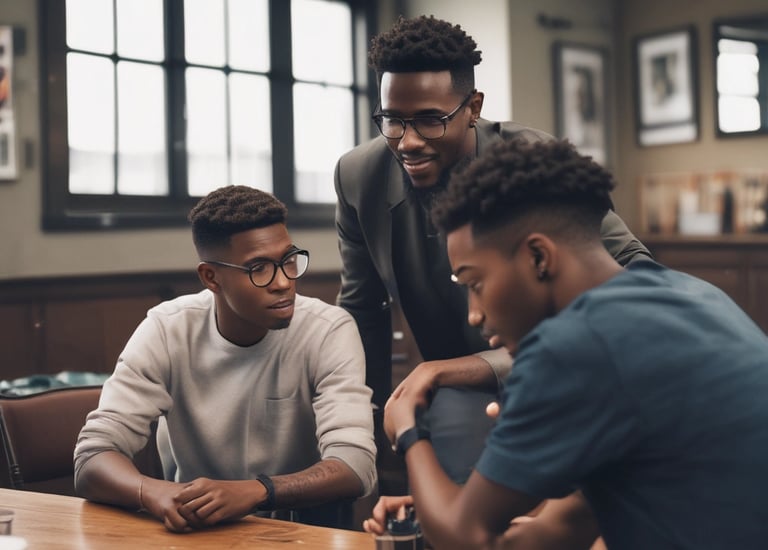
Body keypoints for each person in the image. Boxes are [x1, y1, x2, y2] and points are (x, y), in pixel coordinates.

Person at [367, 138, 768, 549]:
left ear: (539, 257)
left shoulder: (574, 346)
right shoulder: (690, 294)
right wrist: (449, 503)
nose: (474, 313)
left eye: (476, 283)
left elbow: (467, 537)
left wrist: (411, 434)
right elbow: (563, 527)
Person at [334, 14, 651, 485]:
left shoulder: (534, 162)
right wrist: (370, 431)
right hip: (453, 395)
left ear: (474, 107)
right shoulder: (358, 174)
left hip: (558, 373)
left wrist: (453, 371)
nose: (409, 141)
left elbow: (635, 275)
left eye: (429, 120)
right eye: (392, 121)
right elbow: (363, 310)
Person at [74, 185, 376, 532]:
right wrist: (155, 494)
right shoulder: (167, 328)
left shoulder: (328, 330)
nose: (283, 282)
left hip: (299, 532)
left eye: (289, 260)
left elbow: (355, 465)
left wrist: (257, 491)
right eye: (259, 268)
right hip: (195, 531)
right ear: (211, 277)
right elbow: (93, 457)